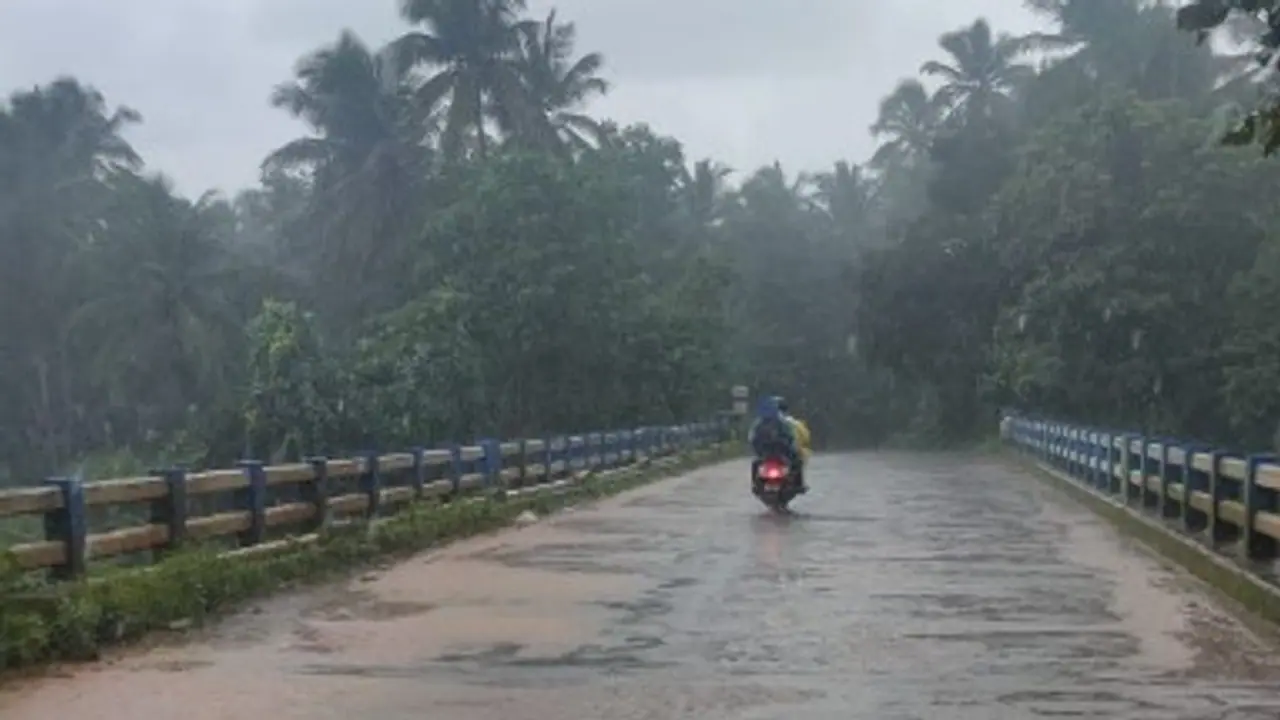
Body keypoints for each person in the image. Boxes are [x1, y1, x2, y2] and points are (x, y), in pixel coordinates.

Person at [747, 395, 810, 493]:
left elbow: (753, 440)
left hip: (768, 455)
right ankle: (799, 485)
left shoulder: (760, 423)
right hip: (779, 454)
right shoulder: (785, 422)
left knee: (755, 463)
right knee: (797, 462)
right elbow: (792, 438)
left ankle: (756, 485)